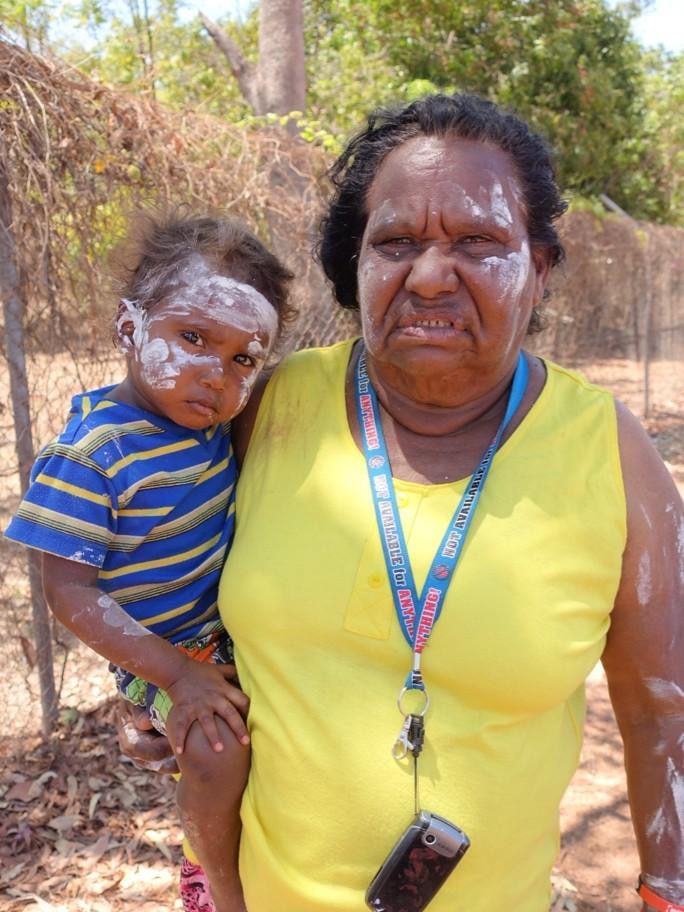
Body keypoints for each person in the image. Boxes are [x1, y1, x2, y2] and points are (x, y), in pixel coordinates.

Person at [119, 94, 684, 912]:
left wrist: (667, 889)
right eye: (395, 243)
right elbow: (156, 569)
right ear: (355, 263)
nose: (428, 275)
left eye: (479, 242)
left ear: (541, 267)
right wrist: (147, 689)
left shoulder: (611, 455)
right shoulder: (266, 411)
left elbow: (663, 712)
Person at [5, 213, 294, 912]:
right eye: (192, 337)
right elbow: (68, 590)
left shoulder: (212, 427)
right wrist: (173, 676)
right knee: (216, 753)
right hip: (165, 653)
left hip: (228, 636)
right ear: (129, 327)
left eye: (241, 360)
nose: (213, 373)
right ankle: (215, 881)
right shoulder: (93, 452)